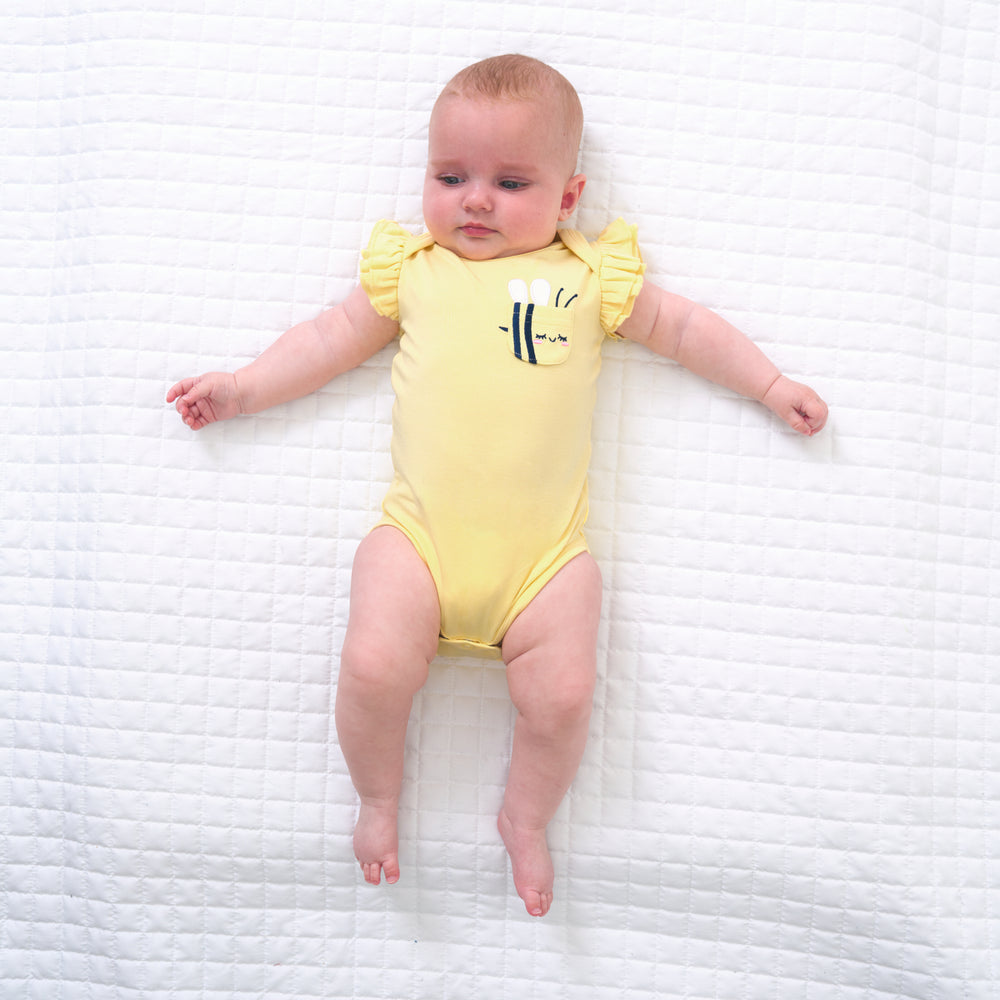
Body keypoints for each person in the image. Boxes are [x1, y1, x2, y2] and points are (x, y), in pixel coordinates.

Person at [167, 54, 828, 918]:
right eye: (452, 176)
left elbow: (690, 329)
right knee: (371, 663)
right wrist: (245, 387)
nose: (474, 200)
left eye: (509, 182)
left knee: (564, 694)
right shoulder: (413, 272)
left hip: (543, 564)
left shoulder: (592, 280)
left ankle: (525, 815)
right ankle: (376, 797)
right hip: (420, 542)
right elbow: (325, 338)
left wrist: (770, 384)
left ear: (566, 199)